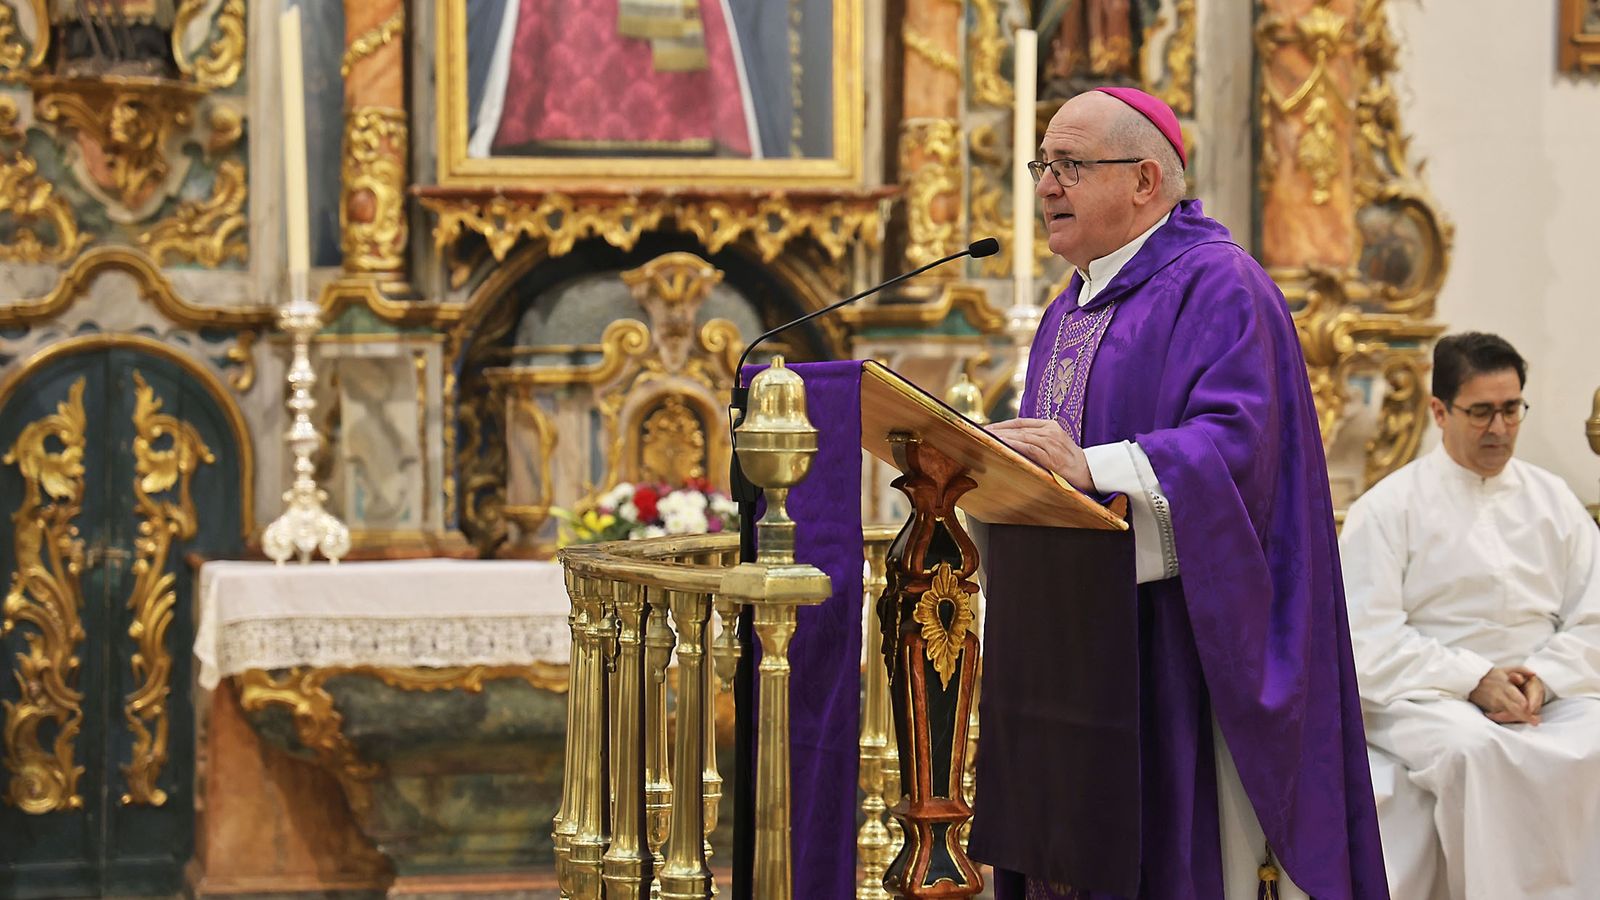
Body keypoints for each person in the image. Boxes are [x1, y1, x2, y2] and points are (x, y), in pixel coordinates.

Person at [974, 87, 1388, 899]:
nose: (1047, 185)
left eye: (1070, 165)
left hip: (1175, 643)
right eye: (1042, 166)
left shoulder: (1221, 285)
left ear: (1144, 180)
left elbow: (1239, 451)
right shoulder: (1068, 309)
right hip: (1073, 641)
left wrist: (1098, 468)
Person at [1339, 332, 1600, 899]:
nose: (1499, 429)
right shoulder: (1388, 508)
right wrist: (1473, 680)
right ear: (1439, 410)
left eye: (1511, 409)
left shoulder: (1554, 501)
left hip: (1543, 691)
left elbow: (1593, 618)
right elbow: (1365, 636)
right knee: (1476, 753)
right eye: (1481, 412)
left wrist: (1544, 679)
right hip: (1423, 695)